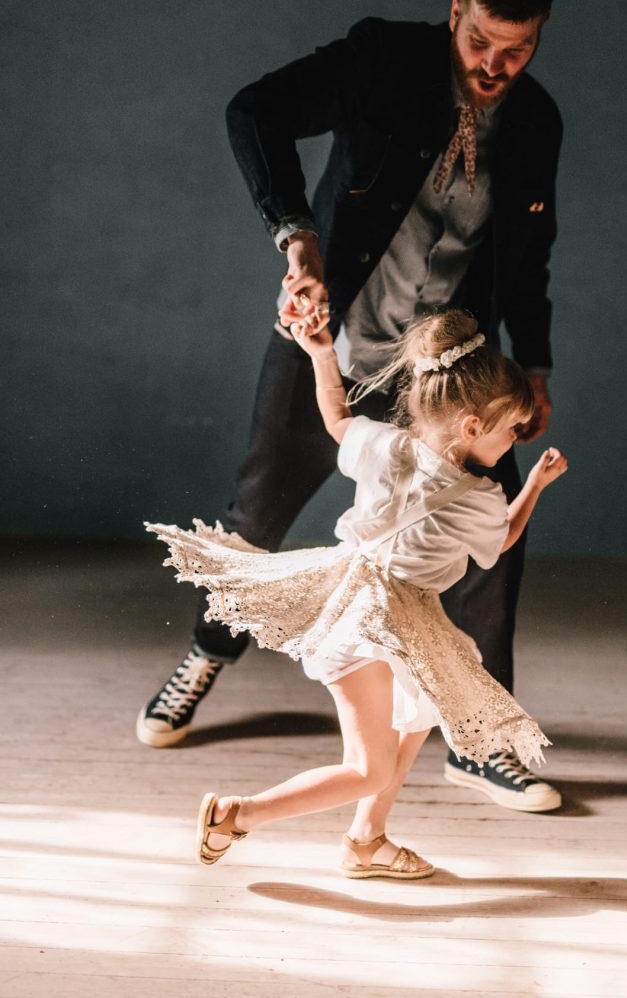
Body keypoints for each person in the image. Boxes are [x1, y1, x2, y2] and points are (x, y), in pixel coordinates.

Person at [137, 0, 564, 812]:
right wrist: (296, 238)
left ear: (539, 39)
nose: (495, 65)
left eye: (517, 49)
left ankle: (472, 742)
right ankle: (209, 653)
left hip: (443, 373)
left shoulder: (538, 120)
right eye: (482, 41)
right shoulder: (384, 61)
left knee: (485, 541)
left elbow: (529, 254)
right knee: (259, 510)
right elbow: (253, 111)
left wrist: (538, 361)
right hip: (332, 338)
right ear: (456, 12)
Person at [147, 309, 567, 875]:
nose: (514, 439)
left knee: (418, 711)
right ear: (470, 426)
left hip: (353, 593)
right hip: (380, 617)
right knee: (368, 766)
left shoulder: (391, 446)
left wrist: (323, 354)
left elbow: (337, 417)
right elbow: (505, 538)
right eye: (510, 428)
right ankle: (236, 815)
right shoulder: (480, 496)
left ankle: (366, 840)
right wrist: (535, 486)